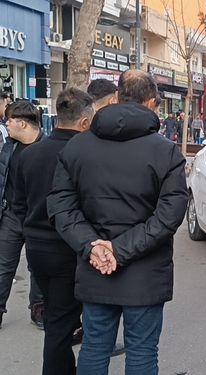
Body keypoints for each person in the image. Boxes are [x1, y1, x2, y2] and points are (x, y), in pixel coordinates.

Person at [46, 69, 188, 374]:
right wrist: (119, 250)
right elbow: (170, 214)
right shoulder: (166, 152)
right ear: (151, 103)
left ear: (117, 98)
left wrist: (93, 247)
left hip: (96, 266)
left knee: (95, 347)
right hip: (146, 272)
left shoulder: (77, 147)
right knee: (142, 351)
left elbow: (60, 205)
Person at [13, 88, 94, 375]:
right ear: (84, 122)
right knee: (60, 325)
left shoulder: (30, 154)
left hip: (36, 248)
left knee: (57, 318)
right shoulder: (84, 153)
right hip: (67, 250)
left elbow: (18, 202)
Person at [0, 101, 45, 329]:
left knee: (37, 267)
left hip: (37, 218)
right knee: (3, 265)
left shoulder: (47, 147)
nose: (5, 124)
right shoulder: (9, 147)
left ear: (22, 123)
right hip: (10, 216)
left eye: (8, 120)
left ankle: (38, 309)